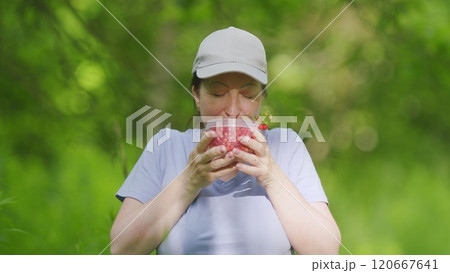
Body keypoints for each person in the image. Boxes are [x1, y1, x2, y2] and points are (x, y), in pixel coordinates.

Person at [110, 27, 341, 254]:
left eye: (248, 95)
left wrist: (272, 177)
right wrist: (189, 182)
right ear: (196, 95)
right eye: (218, 93)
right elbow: (121, 250)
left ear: (262, 97)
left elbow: (325, 251)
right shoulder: (166, 146)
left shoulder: (287, 147)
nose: (232, 110)